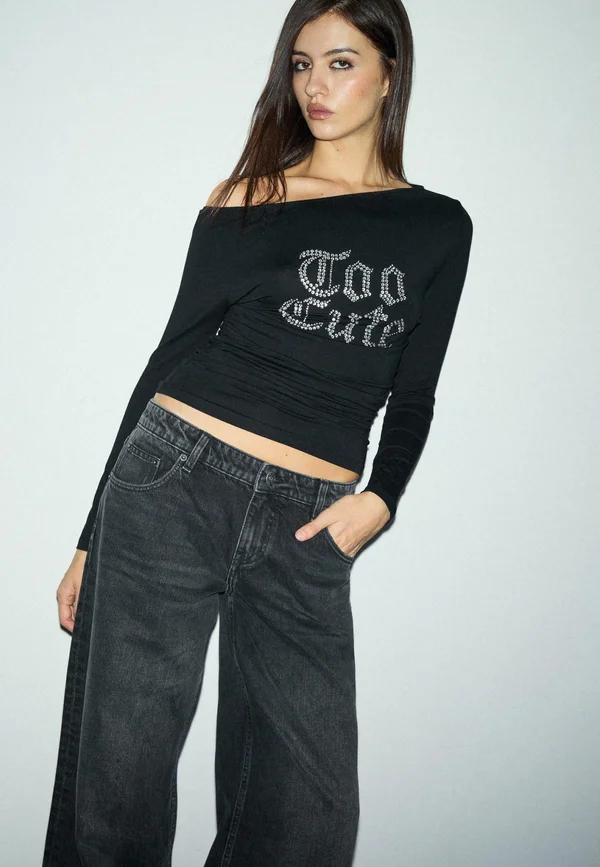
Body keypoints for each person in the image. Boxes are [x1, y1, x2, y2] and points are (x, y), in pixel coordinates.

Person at [43, 1, 473, 865]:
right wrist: (92, 536)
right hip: (172, 482)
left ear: (389, 72)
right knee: (119, 784)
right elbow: (168, 358)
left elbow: (415, 392)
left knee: (309, 813)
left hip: (309, 519)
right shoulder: (251, 197)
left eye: (341, 62)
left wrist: (382, 497)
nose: (316, 85)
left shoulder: (439, 226)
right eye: (303, 64)